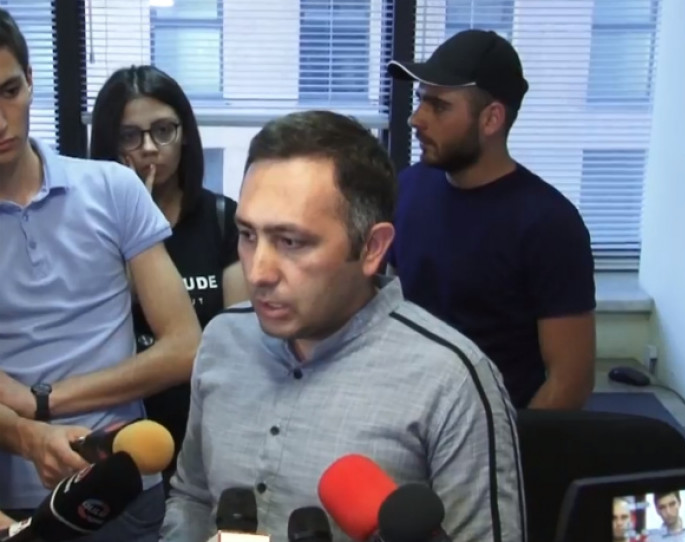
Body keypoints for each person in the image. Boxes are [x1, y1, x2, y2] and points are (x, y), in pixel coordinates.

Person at [160, 110, 524, 542]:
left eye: (291, 242)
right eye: (248, 235)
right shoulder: (222, 339)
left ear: (372, 248)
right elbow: (193, 497)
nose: (257, 273)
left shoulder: (452, 382)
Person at [0, 8, 201, 542]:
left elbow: (184, 346)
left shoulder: (113, 188)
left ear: (31, 81)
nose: (0, 120)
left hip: (124, 482)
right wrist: (27, 432)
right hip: (13, 494)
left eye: (9, 91)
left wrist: (43, 400)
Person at [386, 29, 596, 409]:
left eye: (439, 106)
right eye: (420, 101)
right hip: (407, 413)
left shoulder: (550, 224)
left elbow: (570, 381)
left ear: (491, 119)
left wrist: (505, 443)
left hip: (497, 427)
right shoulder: (408, 188)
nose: (416, 119)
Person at [90, 65, 247, 488]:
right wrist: (133, 214)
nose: (148, 148)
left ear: (185, 134)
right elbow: (98, 322)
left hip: (206, 423)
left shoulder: (221, 218)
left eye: (163, 131)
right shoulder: (89, 226)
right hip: (121, 428)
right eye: (130, 136)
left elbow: (238, 340)